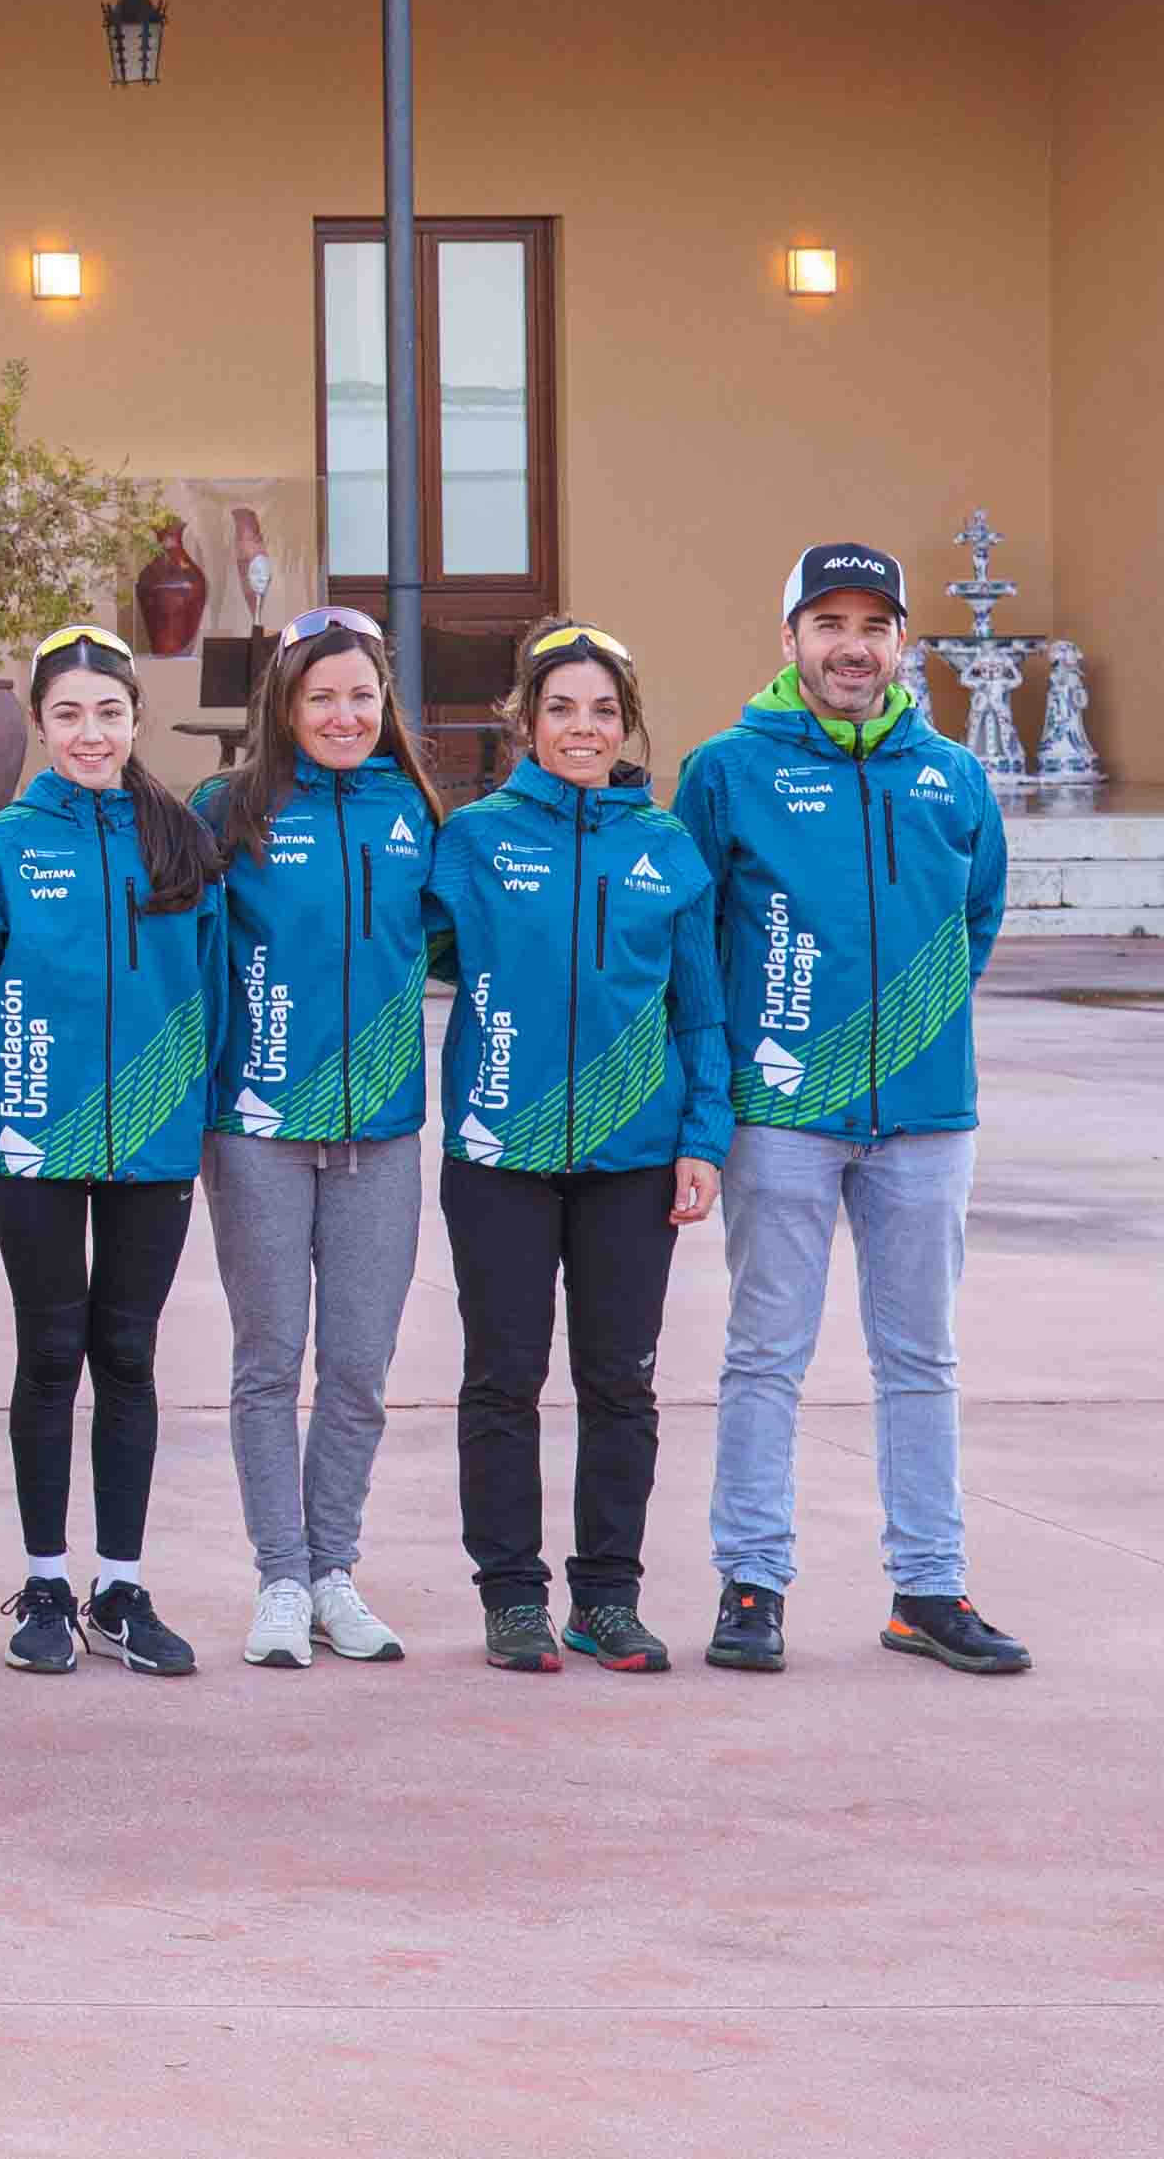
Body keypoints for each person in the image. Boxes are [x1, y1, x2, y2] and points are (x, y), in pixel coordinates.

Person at [679, 541, 1027, 1680]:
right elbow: (690, 937)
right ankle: (752, 1582)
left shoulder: (951, 774)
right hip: (779, 1111)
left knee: (921, 1355)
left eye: (873, 624)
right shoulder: (727, 770)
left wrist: (911, 1030)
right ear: (789, 640)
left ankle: (928, 1588)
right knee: (766, 1351)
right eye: (827, 622)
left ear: (901, 645)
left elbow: (977, 916)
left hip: (927, 1117)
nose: (851, 645)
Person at [427, 619, 725, 1677]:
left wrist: (703, 1138)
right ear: (525, 720)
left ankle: (608, 1594)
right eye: (561, 707)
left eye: (603, 709)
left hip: (634, 1157)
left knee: (620, 1381)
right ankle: (512, 1595)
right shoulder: (471, 838)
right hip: (497, 1152)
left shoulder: (669, 848)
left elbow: (702, 1012)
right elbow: (396, 953)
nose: (583, 727)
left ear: (626, 723)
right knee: (503, 1377)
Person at [0, 629, 226, 1681]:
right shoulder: (1, 848)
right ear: (40, 724)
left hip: (154, 1143)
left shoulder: (182, 840)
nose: (90, 732)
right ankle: (47, 1580)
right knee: (51, 1354)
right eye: (68, 713)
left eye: (108, 712)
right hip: (34, 1141)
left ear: (135, 719)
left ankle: (123, 1584)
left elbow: (219, 995)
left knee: (132, 1354)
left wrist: (187, 1114)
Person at [198, 605, 444, 1672]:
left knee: (357, 1364)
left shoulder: (420, 812)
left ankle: (337, 1568)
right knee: (269, 1360)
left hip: (381, 1131)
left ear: (385, 704)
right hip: (257, 1128)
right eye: (322, 696)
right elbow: (181, 950)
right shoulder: (231, 810)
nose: (343, 714)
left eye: (361, 695)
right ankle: (281, 1578)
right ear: (285, 707)